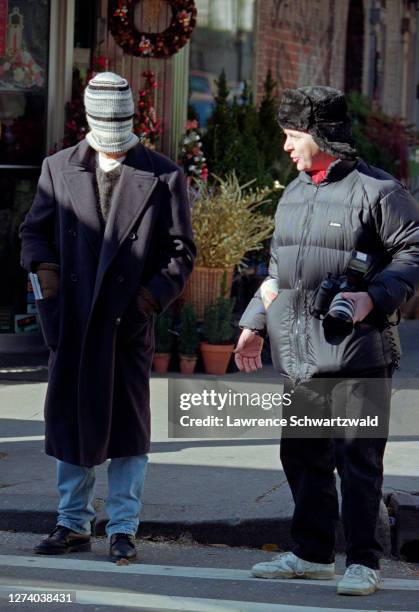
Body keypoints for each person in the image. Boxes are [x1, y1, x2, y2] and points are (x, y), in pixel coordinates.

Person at [235, 86, 419, 596]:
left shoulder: (381, 191)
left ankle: (364, 560)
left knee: (358, 462)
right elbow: (277, 268)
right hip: (300, 353)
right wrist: (253, 322)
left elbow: (412, 253)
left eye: (294, 136)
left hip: (361, 353)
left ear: (321, 136)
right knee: (303, 456)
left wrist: (373, 299)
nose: (288, 148)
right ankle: (312, 554)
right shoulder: (293, 192)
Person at [19, 72, 195, 561]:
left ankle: (122, 528)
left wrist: (146, 301)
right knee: (73, 423)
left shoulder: (163, 175)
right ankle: (72, 523)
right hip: (73, 321)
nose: (114, 147)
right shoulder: (58, 168)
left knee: (127, 430)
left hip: (125, 323)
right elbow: (33, 234)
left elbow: (179, 253)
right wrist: (48, 282)